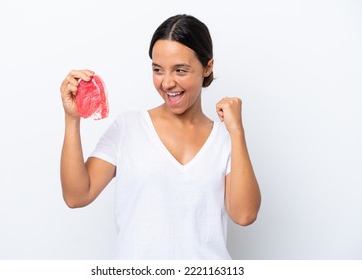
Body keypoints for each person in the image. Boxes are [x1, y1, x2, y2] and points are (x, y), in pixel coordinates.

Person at [60, 14, 261, 260]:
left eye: (180, 70)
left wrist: (237, 132)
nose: (167, 83)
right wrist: (72, 119)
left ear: (207, 67)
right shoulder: (128, 128)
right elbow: (76, 196)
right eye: (158, 70)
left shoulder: (225, 139)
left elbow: (245, 215)